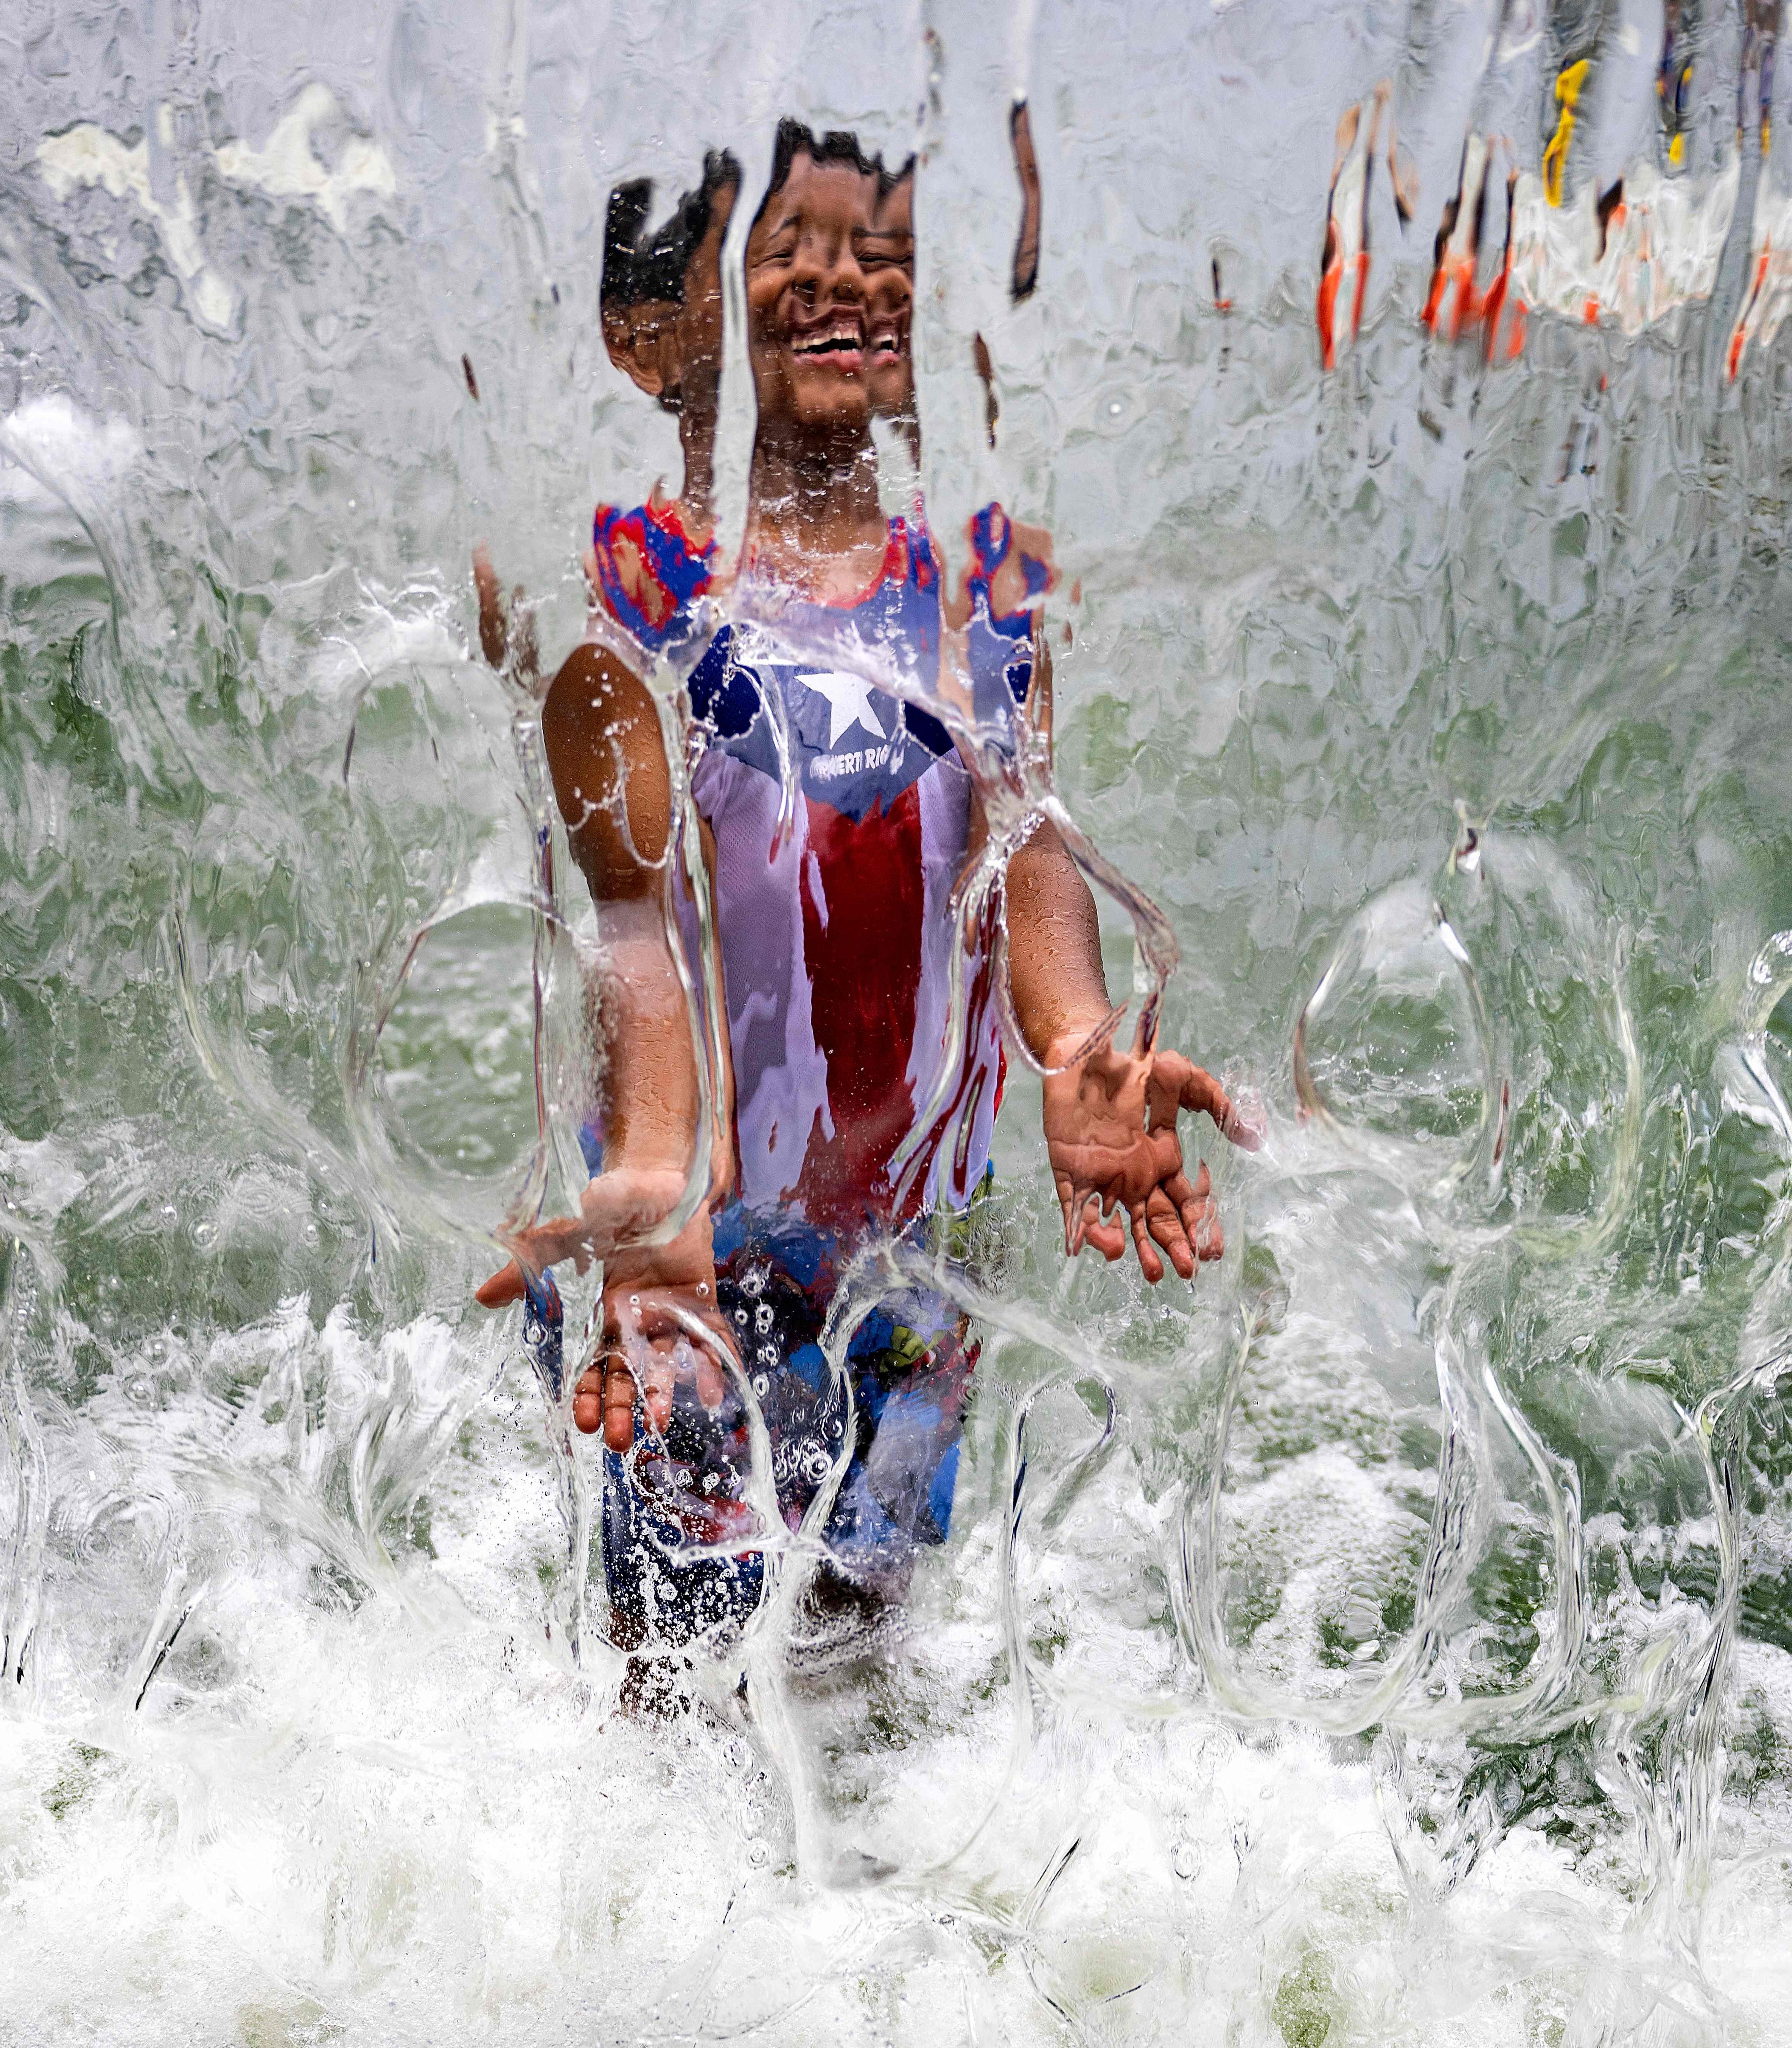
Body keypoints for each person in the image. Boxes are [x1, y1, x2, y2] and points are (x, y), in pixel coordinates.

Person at [474, 122, 1251, 1688]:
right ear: (668, 329)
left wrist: (1081, 1040)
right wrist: (649, 1173)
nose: (845, 277)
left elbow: (1025, 848)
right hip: (688, 1234)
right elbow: (638, 920)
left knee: (859, 1647)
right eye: (791, 246)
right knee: (670, 1668)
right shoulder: (633, 586)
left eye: (883, 250)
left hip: (914, 1252)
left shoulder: (986, 580)